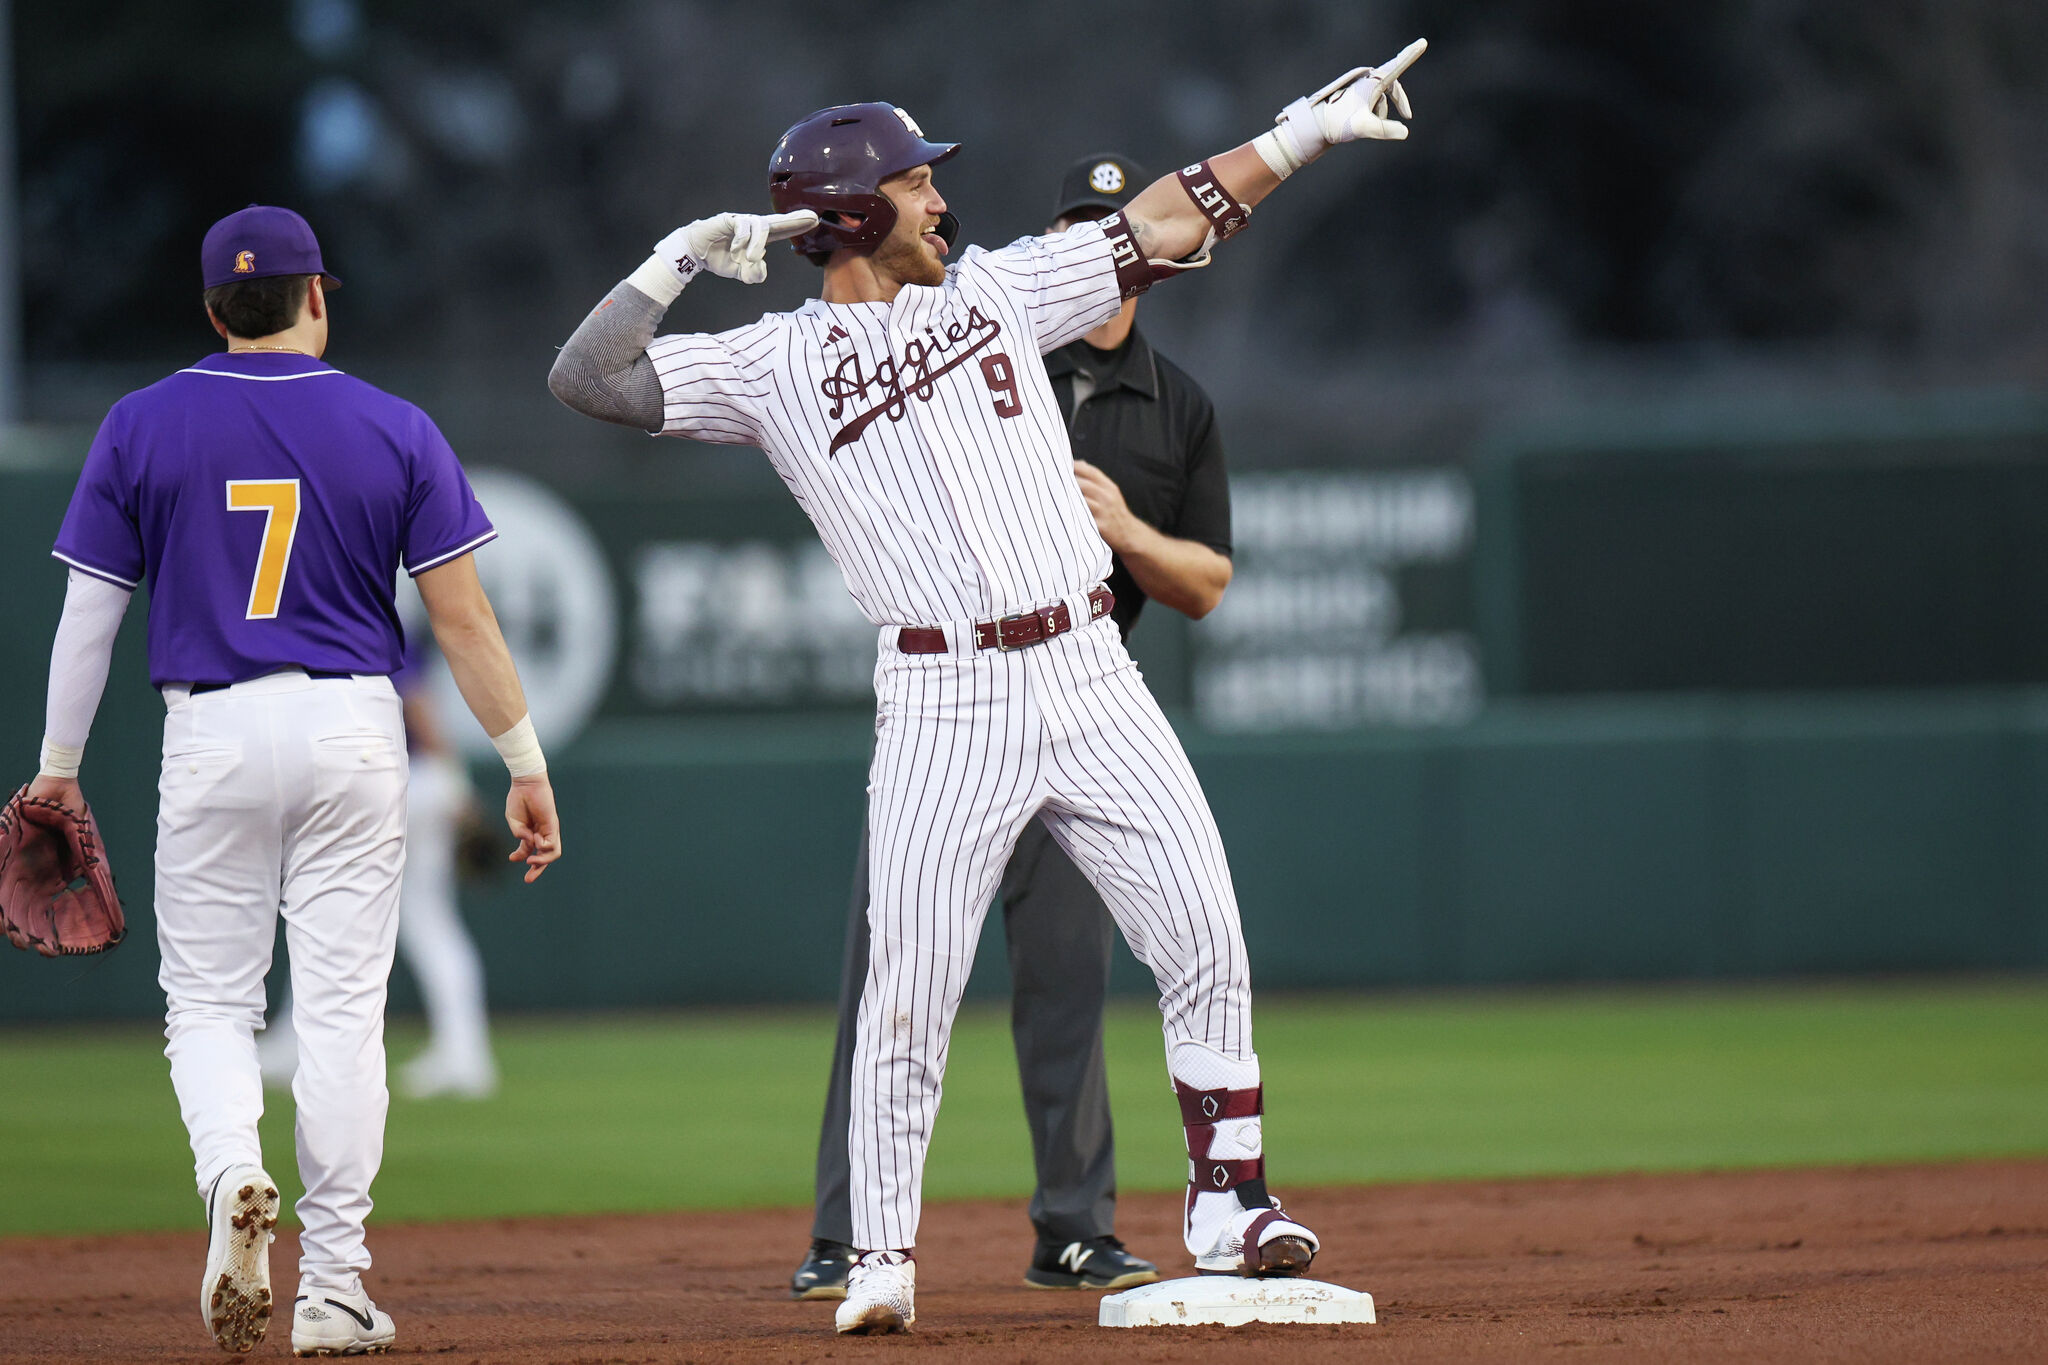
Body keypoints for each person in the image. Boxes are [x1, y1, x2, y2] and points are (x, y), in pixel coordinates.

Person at [548, 46, 1421, 1334]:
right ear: (852, 213)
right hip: (941, 698)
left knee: (1204, 934)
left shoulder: (998, 288)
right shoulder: (773, 364)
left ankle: (1230, 1201)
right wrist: (673, 261)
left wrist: (1297, 137)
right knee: (908, 991)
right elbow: (589, 379)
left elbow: (1161, 221)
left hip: (1087, 666)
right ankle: (880, 1259)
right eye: (913, 184)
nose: (939, 199)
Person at [32, 204, 562, 1356]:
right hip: (354, 727)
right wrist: (522, 762)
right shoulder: (395, 424)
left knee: (210, 1004)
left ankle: (233, 1171)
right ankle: (334, 1285)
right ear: (316, 296)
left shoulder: (139, 422)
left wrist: (58, 771)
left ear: (213, 309)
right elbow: (462, 621)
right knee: (340, 1016)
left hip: (211, 727)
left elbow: (89, 619)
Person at [786, 150, 1234, 1302]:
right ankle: (848, 1235)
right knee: (891, 981)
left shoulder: (1176, 404)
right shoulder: (994, 331)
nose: (1090, 243)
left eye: (1107, 225)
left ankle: (1074, 1227)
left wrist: (1128, 532)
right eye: (1072, 223)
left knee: (1069, 980)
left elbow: (1205, 582)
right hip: (955, 706)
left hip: (1085, 697)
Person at [261, 636, 502, 1102]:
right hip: (415, 780)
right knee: (418, 923)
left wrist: (454, 784)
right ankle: (464, 1051)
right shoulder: (377, 620)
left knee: (328, 910)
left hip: (402, 780)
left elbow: (416, 700)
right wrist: (455, 785)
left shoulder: (377, 623)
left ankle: (297, 1042)